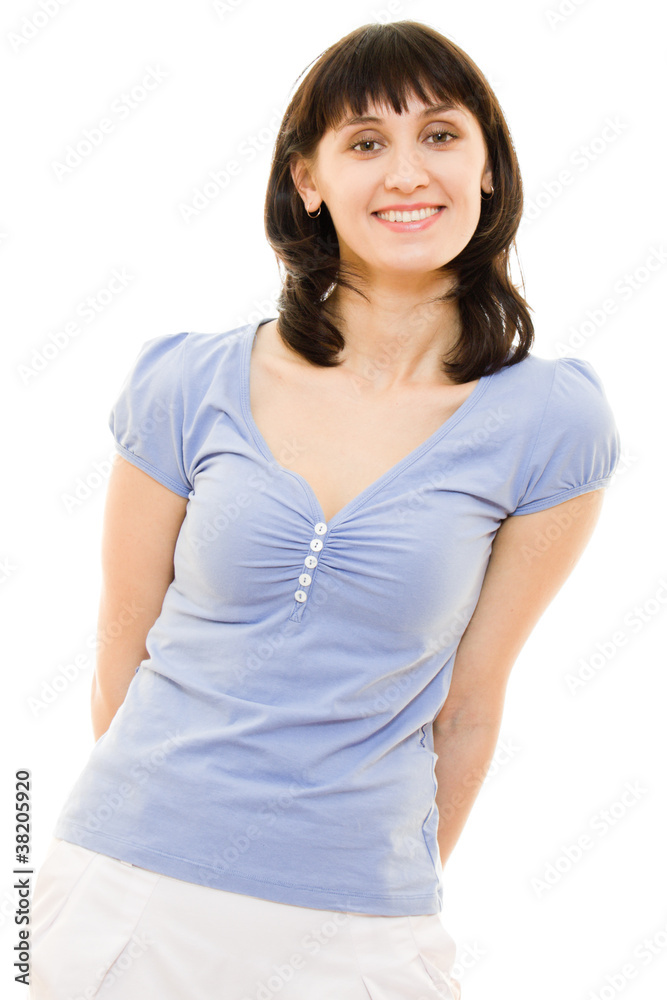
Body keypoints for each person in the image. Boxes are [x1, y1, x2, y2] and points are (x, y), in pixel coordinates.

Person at [29, 19, 621, 1000]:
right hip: (121, 894)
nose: (406, 172)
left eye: (440, 135)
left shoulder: (550, 422)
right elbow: (119, 655)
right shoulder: (186, 381)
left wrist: (391, 893)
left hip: (358, 927)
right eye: (363, 142)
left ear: (486, 170)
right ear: (307, 180)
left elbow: (469, 706)